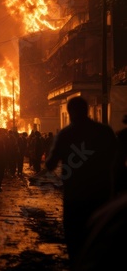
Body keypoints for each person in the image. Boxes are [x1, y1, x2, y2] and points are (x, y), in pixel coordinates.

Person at [45, 96, 119, 268]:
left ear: (69, 113)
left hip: (75, 196)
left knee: (75, 238)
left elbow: (50, 164)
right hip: (102, 194)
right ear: (87, 110)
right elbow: (116, 158)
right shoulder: (105, 132)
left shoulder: (65, 134)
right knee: (100, 238)